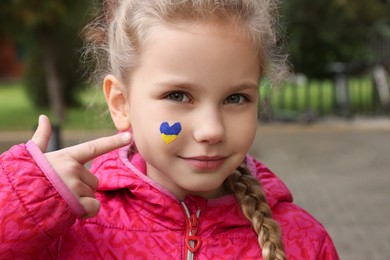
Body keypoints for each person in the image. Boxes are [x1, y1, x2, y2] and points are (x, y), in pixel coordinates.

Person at [0, 0, 339, 259]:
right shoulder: (66, 229)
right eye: (178, 95)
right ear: (121, 103)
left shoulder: (305, 241)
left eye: (235, 98)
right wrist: (22, 202)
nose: (211, 130)